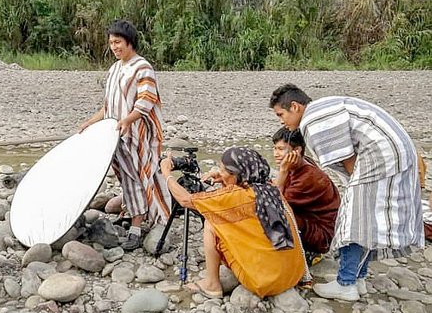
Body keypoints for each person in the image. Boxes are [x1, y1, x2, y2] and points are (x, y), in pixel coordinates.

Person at [270, 84, 425, 301]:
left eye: (281, 114)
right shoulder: (324, 108)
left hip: (380, 156)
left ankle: (346, 283)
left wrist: (355, 189)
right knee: (367, 217)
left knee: (356, 219)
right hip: (394, 150)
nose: (281, 121)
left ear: (295, 106)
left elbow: (347, 160)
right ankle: (357, 278)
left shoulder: (312, 121)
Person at [160, 147, 306, 298]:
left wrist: (167, 174)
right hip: (293, 275)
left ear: (236, 175)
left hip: (264, 282)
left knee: (212, 223)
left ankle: (212, 284)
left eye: (223, 170)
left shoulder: (234, 196)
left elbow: (185, 200)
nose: (220, 172)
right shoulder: (270, 188)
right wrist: (226, 180)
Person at [80, 19, 171, 250]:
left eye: (118, 42)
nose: (114, 47)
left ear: (129, 42)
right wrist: (91, 122)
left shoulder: (143, 68)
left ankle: (137, 228)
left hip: (137, 136)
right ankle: (134, 213)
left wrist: (127, 120)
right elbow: (108, 105)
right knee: (125, 177)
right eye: (111, 43)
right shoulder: (115, 68)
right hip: (116, 135)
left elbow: (146, 101)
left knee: (137, 178)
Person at [272, 127, 340, 263]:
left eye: (280, 149)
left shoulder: (308, 177)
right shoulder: (300, 164)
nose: (275, 154)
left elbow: (276, 203)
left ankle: (307, 253)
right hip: (309, 222)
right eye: (274, 148)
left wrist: (283, 170)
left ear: (296, 151)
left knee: (273, 215)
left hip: (321, 237)